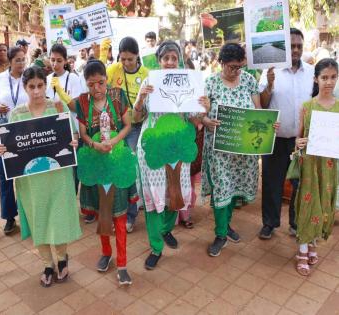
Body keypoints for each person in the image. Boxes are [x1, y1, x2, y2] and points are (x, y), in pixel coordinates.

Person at [0, 66, 82, 287]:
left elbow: (72, 134)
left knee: (58, 216)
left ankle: (62, 259)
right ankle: (47, 263)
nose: (36, 91)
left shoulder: (57, 107)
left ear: (46, 85)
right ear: (24, 87)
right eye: (31, 86)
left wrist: (73, 141)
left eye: (40, 86)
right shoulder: (16, 114)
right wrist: (3, 150)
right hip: (31, 180)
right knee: (39, 218)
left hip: (58, 175)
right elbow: (10, 145)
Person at [133, 41, 209, 269]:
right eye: (165, 58)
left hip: (178, 147)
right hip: (153, 146)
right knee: (154, 196)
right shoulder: (150, 82)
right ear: (159, 61)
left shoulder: (188, 82)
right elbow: (136, 118)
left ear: (179, 61)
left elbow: (196, 116)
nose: (169, 62)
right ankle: (156, 246)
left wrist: (206, 105)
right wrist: (140, 98)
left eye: (173, 58)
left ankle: (165, 229)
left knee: (176, 194)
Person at [201, 43, 273, 257]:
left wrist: (269, 125)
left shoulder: (249, 81)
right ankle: (220, 234)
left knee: (233, 190)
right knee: (221, 188)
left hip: (242, 151)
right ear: (221, 63)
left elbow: (258, 111)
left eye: (239, 67)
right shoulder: (210, 83)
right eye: (232, 67)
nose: (236, 71)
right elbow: (199, 114)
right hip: (219, 151)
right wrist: (206, 120)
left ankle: (227, 225)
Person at [76, 60, 135, 286]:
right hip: (95, 164)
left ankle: (122, 264)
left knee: (119, 216)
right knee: (102, 215)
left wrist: (113, 141)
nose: (97, 89)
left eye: (101, 83)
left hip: (117, 161)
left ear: (106, 80)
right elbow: (83, 133)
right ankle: (105, 252)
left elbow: (128, 125)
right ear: (86, 84)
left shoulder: (118, 97)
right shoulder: (82, 102)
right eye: (91, 85)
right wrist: (94, 145)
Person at [259, 28, 314, 239]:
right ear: (283, 48)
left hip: (301, 140)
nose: (296, 50)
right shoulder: (270, 72)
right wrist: (270, 86)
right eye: (291, 46)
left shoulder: (311, 72)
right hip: (275, 139)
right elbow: (263, 105)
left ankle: (296, 222)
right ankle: (270, 223)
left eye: (299, 45)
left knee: (300, 183)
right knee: (272, 182)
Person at [97, 37, 149, 232]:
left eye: (130, 59)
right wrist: (103, 54)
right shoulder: (113, 70)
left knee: (129, 172)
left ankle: (131, 215)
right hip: (115, 127)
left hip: (136, 128)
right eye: (123, 59)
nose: (126, 63)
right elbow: (98, 79)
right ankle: (114, 214)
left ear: (137, 56)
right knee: (115, 170)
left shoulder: (146, 74)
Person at [294, 58, 339, 276]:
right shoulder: (307, 107)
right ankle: (302, 249)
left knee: (324, 202)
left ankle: (313, 244)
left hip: (330, 166)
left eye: (333, 77)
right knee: (308, 202)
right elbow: (298, 138)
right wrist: (299, 142)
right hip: (310, 165)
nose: (329, 82)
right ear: (316, 79)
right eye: (324, 77)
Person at [0, 46, 29, 236]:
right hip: (4, 133)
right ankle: (10, 217)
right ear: (10, 62)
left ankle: (28, 212)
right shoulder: (0, 79)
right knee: (5, 175)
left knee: (27, 172)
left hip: (26, 131)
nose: (21, 64)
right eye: (18, 60)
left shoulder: (29, 77)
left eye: (23, 59)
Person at [46, 44, 83, 194]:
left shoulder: (73, 78)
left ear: (66, 61)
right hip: (52, 131)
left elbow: (77, 107)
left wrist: (61, 93)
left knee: (72, 170)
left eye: (59, 60)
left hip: (71, 130)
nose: (55, 64)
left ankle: (72, 199)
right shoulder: (47, 79)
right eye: (52, 60)